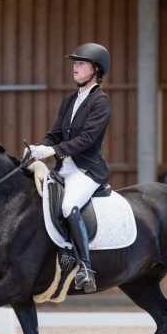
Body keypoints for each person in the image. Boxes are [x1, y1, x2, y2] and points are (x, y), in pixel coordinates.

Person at [27, 43, 112, 293]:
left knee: (67, 206)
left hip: (87, 170)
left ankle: (85, 267)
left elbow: (87, 139)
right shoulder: (69, 101)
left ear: (95, 69)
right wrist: (37, 149)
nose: (75, 67)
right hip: (63, 168)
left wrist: (52, 151)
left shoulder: (101, 102)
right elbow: (54, 135)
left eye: (81, 63)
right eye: (74, 63)